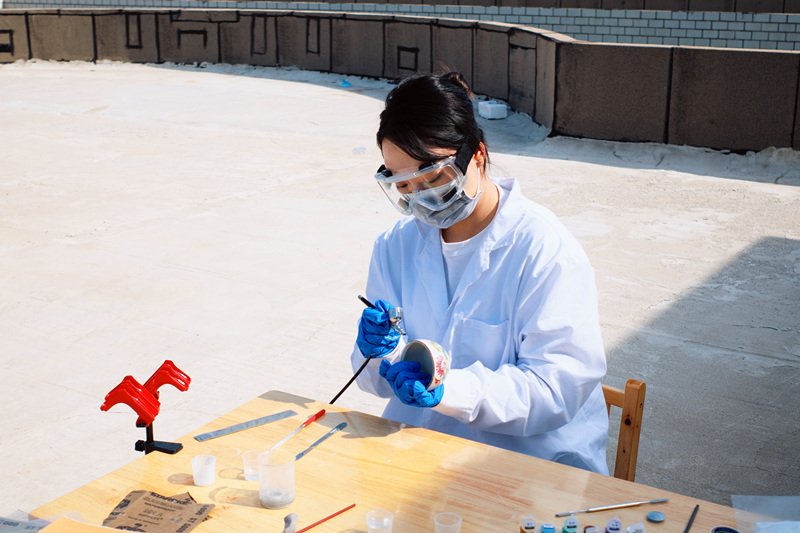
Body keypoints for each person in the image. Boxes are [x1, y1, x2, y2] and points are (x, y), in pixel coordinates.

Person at [350, 71, 609, 473]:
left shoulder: (544, 250)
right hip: (425, 453)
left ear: (478, 155)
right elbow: (377, 382)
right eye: (403, 187)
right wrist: (375, 353)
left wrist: (449, 389)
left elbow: (555, 388)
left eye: (433, 178)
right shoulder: (395, 247)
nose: (422, 199)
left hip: (531, 464)